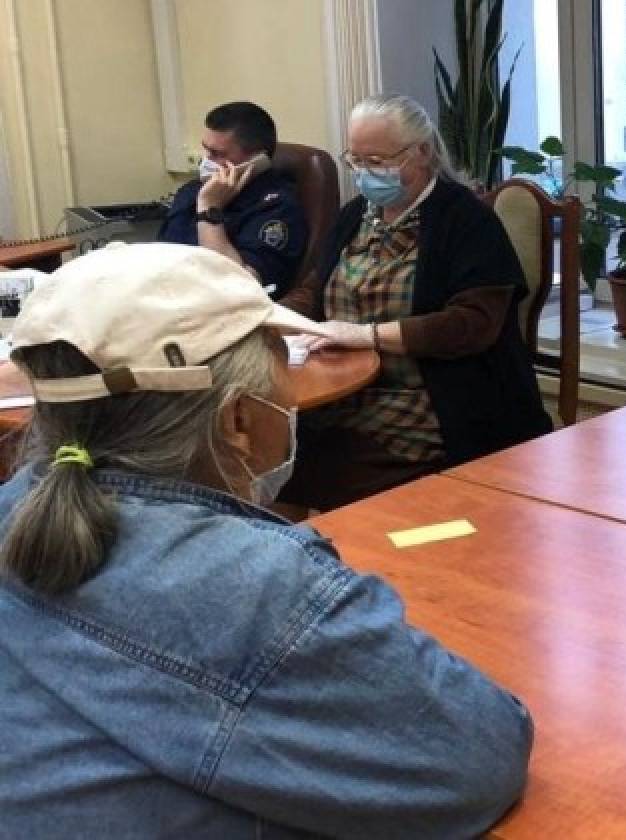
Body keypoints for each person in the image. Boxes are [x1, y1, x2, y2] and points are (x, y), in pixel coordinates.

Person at [0, 243, 533, 836]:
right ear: (237, 423)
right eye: (284, 374)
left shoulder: (15, 514)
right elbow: (482, 748)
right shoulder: (260, 590)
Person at [279, 94, 552, 511]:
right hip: (349, 391)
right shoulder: (357, 215)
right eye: (356, 159)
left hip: (434, 401)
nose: (365, 173)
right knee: (269, 454)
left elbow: (471, 325)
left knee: (331, 472)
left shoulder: (465, 220)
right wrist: (271, 314)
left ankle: (353, 559)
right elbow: (316, 289)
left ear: (422, 152)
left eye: (378, 161)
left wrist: (366, 336)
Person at [158, 101, 308, 298]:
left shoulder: (277, 207)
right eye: (206, 150)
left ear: (256, 160)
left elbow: (238, 288)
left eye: (217, 154)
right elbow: (162, 256)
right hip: (167, 298)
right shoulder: (191, 191)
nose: (206, 162)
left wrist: (209, 210)